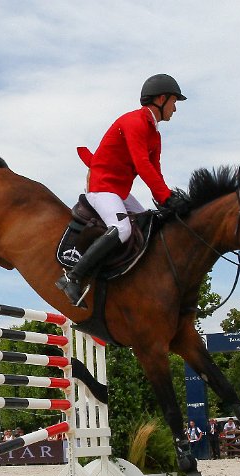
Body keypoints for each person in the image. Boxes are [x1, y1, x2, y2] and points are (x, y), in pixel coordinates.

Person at [56, 74, 191, 306]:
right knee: (122, 229)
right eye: (174, 102)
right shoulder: (134, 122)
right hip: (102, 187)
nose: (175, 108)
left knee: (147, 223)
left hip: (119, 191)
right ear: (161, 99)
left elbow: (155, 171)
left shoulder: (154, 135)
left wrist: (167, 200)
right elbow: (142, 165)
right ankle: (73, 277)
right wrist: (166, 197)